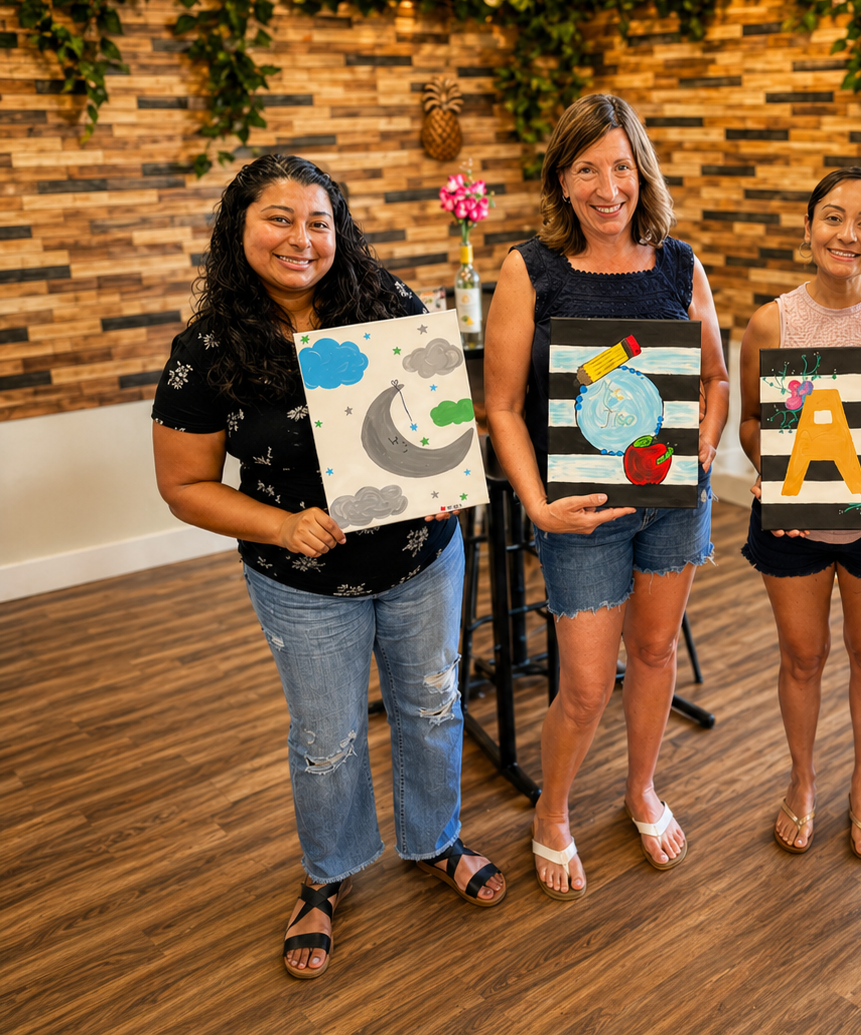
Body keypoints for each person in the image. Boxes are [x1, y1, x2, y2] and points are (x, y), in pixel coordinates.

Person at [152, 154, 505, 980]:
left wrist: (449, 476)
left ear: (338, 229)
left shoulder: (392, 308)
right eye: (278, 218)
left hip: (423, 562)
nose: (300, 238)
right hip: (303, 585)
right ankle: (328, 874)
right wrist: (281, 524)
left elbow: (447, 419)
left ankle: (434, 839)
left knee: (431, 706)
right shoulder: (205, 350)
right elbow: (184, 487)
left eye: (317, 220)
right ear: (240, 228)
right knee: (328, 741)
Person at [484, 94, 729, 901]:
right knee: (586, 687)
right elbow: (504, 408)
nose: (606, 186)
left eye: (620, 166)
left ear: (641, 173)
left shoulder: (678, 263)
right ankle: (551, 812)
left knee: (655, 655)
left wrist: (707, 438)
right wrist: (534, 504)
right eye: (586, 168)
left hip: (670, 506)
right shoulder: (531, 270)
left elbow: (716, 380)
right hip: (577, 514)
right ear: (561, 180)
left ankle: (641, 789)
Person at [737, 168, 861, 859]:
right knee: (801, 657)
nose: (846, 234)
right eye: (832, 217)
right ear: (807, 228)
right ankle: (802, 781)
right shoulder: (770, 321)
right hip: (793, 520)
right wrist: (782, 470)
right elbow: (748, 423)